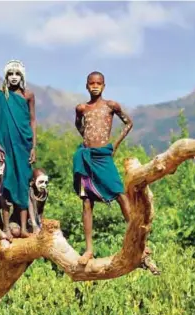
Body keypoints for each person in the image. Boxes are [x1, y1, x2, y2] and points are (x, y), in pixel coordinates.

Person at [73, 71, 133, 265]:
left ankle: (137, 240)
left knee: (121, 194)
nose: (95, 86)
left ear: (104, 86)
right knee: (87, 202)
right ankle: (89, 249)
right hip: (86, 158)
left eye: (99, 83)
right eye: (92, 83)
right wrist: (87, 139)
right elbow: (78, 125)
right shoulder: (82, 108)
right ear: (87, 86)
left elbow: (128, 123)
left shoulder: (111, 106)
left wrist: (114, 145)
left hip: (103, 157)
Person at [0, 59, 37, 239]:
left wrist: (33, 146)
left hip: (24, 145)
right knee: (6, 185)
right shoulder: (0, 96)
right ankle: (6, 229)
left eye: (17, 74)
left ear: (22, 76)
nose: (14, 77)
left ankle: (25, 228)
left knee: (23, 183)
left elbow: (32, 121)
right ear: (6, 76)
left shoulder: (28, 95)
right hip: (7, 147)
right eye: (11, 74)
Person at [28, 168, 49, 233]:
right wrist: (34, 225)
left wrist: (40, 222)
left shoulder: (45, 193)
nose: (43, 185)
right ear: (34, 180)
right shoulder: (29, 191)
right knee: (16, 231)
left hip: (34, 219)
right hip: (22, 220)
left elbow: (41, 209)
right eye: (41, 182)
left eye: (46, 182)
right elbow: (29, 207)